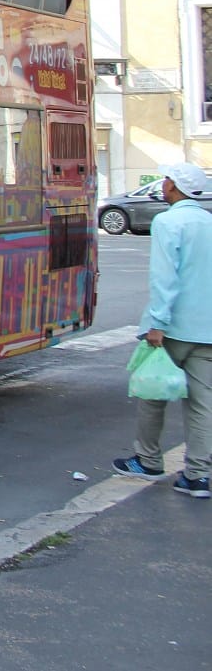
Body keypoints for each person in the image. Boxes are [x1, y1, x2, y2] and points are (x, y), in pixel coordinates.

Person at [112, 161, 212, 499]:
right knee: (202, 404)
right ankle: (198, 476)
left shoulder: (168, 222)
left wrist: (157, 323)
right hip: (207, 331)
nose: (164, 183)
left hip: (173, 328)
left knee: (152, 392)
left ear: (174, 186)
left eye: (167, 178)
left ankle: (148, 459)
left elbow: (165, 277)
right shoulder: (208, 221)